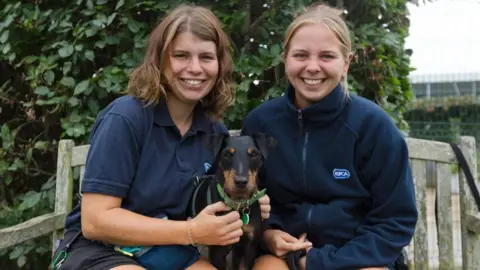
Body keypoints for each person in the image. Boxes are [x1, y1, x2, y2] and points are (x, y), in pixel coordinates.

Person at [51, 5, 271, 270]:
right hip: (99, 250)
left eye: (206, 57)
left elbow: (217, 197)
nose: (195, 68)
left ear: (220, 64)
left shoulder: (214, 133)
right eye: (181, 55)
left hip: (165, 250)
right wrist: (191, 231)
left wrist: (247, 203)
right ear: (159, 60)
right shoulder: (126, 118)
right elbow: (95, 221)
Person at [242, 3, 418, 270]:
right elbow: (248, 200)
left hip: (356, 258)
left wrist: (316, 262)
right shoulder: (260, 123)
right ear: (285, 58)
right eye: (301, 55)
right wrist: (267, 235)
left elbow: (395, 221)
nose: (313, 67)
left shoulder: (374, 126)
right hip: (284, 255)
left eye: (327, 56)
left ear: (346, 63)